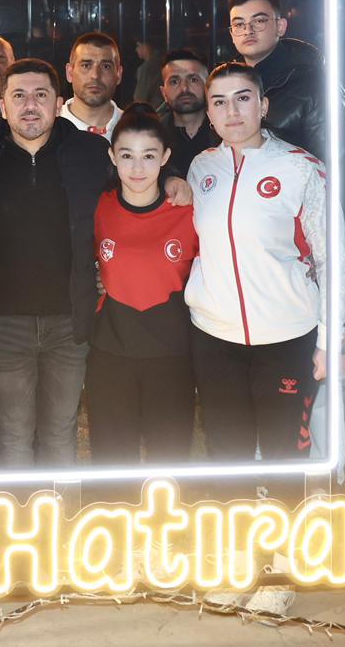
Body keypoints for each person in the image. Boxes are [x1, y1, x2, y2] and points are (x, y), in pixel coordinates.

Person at [185, 62, 345, 474]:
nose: (231, 111)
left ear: (262, 106)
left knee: (284, 455)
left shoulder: (301, 168)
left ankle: (283, 517)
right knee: (227, 453)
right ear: (209, 114)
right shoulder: (200, 168)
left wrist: (328, 340)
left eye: (242, 99)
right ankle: (235, 516)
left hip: (286, 338)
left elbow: (334, 260)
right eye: (219, 102)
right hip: (213, 337)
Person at [0, 58, 110, 466]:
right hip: (2, 325)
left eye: (40, 95)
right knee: (13, 435)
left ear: (58, 103)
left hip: (70, 323)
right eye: (18, 96)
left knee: (60, 431)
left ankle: (59, 509)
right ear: (2, 105)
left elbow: (137, 187)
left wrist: (174, 175)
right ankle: (16, 510)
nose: (30, 105)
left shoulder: (91, 153)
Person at [87, 104, 198, 467]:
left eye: (149, 156)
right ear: (112, 157)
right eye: (127, 155)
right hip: (111, 352)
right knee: (111, 461)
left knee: (170, 459)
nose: (138, 168)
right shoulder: (98, 207)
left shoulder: (188, 211)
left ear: (165, 157)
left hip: (171, 353)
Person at [225, 0, 345, 237]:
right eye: (239, 24)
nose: (248, 30)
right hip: (241, 226)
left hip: (296, 229)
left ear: (280, 26)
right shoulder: (227, 84)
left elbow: (341, 173)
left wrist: (332, 248)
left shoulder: (315, 83)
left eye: (259, 21)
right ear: (232, 33)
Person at [157, 49, 218, 177]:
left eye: (193, 79)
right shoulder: (154, 135)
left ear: (208, 86)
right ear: (163, 93)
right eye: (174, 81)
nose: (184, 88)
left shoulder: (225, 132)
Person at [61, 31, 123, 140]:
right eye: (86, 65)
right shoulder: (48, 127)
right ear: (70, 73)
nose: (95, 75)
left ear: (118, 74)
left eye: (106, 66)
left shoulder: (136, 128)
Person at [132, 38, 164, 106]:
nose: (136, 49)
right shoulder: (162, 62)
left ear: (146, 46)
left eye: (138, 45)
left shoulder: (146, 69)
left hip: (151, 109)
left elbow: (139, 98)